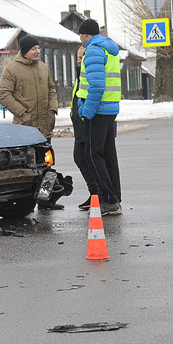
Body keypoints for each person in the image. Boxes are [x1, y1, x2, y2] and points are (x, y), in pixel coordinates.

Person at [0, 34, 66, 210]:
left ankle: (46, 199)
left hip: (45, 125)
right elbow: (4, 95)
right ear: (25, 51)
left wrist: (52, 109)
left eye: (38, 48)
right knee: (28, 166)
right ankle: (25, 201)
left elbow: (52, 89)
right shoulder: (11, 69)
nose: (37, 51)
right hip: (24, 127)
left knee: (46, 163)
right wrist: (22, 112)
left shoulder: (43, 68)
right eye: (33, 49)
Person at [76, 19, 122, 216]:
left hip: (98, 110)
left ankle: (109, 200)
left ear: (85, 35)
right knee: (109, 155)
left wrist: (87, 111)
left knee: (92, 155)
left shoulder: (94, 50)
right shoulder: (109, 49)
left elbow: (96, 86)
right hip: (110, 108)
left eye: (80, 35)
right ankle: (115, 198)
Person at [70, 45, 100, 210]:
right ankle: (94, 193)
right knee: (80, 157)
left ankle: (99, 194)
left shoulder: (92, 72)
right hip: (79, 123)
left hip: (89, 121)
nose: (80, 61)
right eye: (78, 58)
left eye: (82, 58)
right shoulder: (79, 75)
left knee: (89, 158)